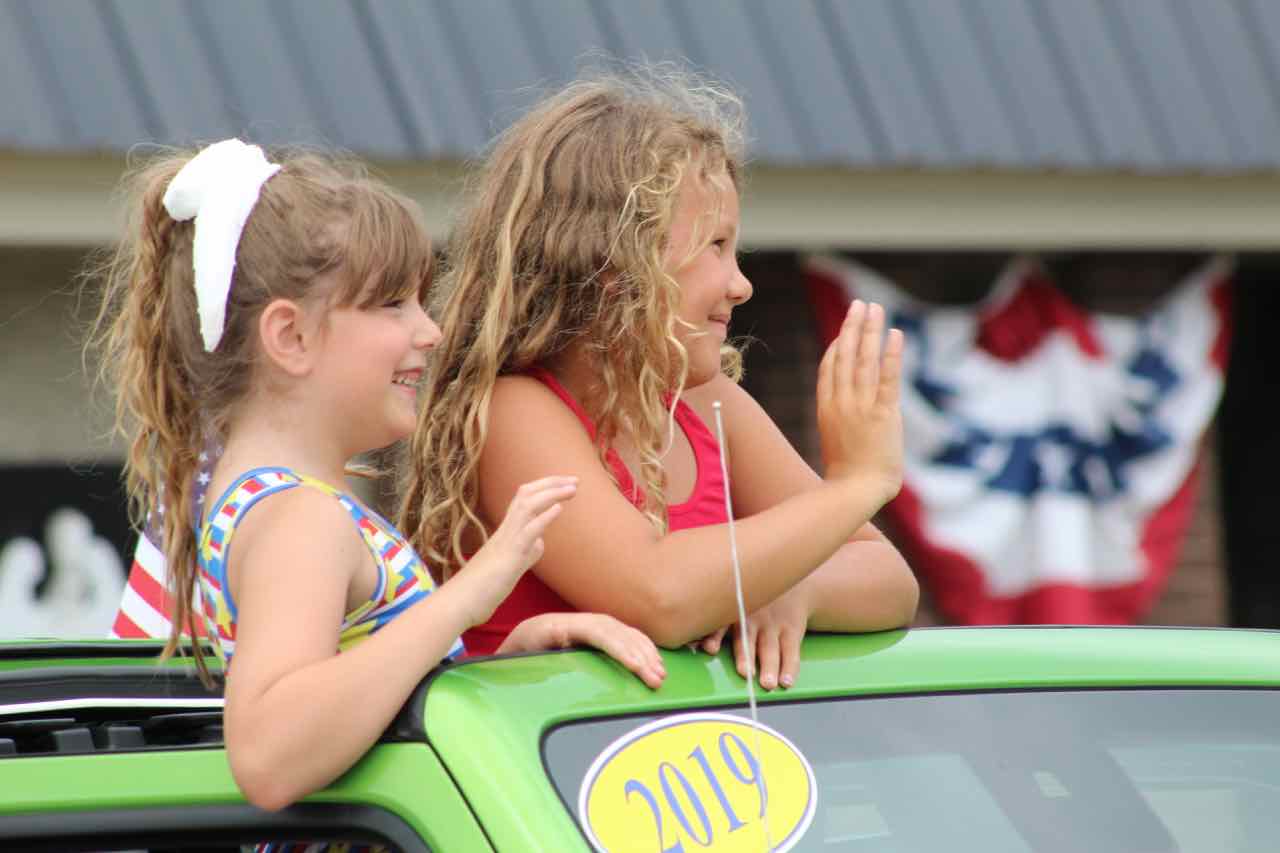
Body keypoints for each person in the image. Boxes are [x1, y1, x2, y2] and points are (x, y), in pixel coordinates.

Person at [85, 139, 664, 814]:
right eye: (393, 304)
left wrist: (503, 660)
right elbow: (270, 753)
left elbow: (366, 714)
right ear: (290, 337)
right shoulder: (301, 520)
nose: (430, 331)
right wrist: (464, 599)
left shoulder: (284, 507)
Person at [400, 67, 919, 692]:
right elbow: (658, 595)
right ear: (615, 261)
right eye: (716, 245)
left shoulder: (708, 404)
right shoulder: (514, 410)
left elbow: (890, 581)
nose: (741, 284)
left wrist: (798, 588)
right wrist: (858, 484)